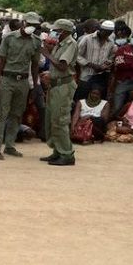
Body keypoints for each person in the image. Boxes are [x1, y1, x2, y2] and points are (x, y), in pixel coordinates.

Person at [0, 12, 42, 160]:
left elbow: (35, 65)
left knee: (17, 115)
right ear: (24, 23)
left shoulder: (36, 41)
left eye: (35, 25)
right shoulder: (9, 38)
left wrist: (35, 86)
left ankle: (10, 145)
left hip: (23, 81)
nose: (32, 27)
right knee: (2, 113)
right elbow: (1, 61)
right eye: (30, 24)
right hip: (8, 78)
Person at [39, 18, 79, 165]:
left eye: (56, 30)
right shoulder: (60, 44)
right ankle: (57, 150)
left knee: (60, 120)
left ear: (64, 31)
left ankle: (67, 154)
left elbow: (62, 66)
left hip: (63, 87)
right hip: (55, 85)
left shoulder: (70, 44)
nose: (53, 33)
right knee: (52, 119)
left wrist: (46, 54)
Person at [108, 28, 133, 113]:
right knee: (117, 107)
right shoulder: (123, 49)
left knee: (132, 108)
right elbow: (120, 64)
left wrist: (128, 63)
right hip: (122, 81)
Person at [76, 19, 116, 101]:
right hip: (86, 75)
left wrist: (105, 66)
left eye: (110, 33)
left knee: (98, 100)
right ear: (101, 30)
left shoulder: (110, 43)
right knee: (82, 98)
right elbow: (77, 55)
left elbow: (111, 57)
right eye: (106, 32)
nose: (107, 35)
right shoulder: (87, 39)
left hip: (101, 76)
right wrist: (91, 65)